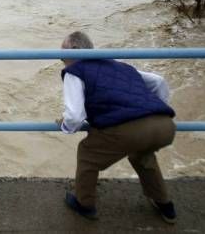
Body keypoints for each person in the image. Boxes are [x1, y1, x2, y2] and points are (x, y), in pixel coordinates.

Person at [56, 31, 177, 223]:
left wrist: (64, 125)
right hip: (165, 125)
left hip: (130, 129)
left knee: (87, 153)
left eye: (62, 51)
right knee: (142, 155)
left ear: (75, 50)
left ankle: (84, 204)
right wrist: (153, 110)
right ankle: (165, 206)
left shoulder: (75, 70)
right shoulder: (118, 64)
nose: (60, 57)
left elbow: (75, 116)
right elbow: (158, 82)